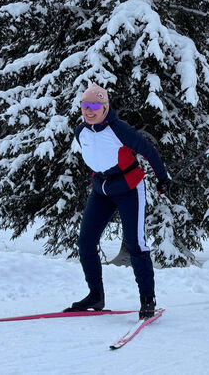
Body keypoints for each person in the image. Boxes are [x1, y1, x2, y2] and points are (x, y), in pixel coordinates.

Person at [69, 84, 171, 319]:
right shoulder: (80, 131)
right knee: (86, 242)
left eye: (95, 105)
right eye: (85, 105)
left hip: (129, 188)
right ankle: (96, 295)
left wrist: (163, 178)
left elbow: (148, 151)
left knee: (135, 244)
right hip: (101, 190)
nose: (89, 110)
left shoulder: (119, 129)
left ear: (105, 108)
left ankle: (148, 301)